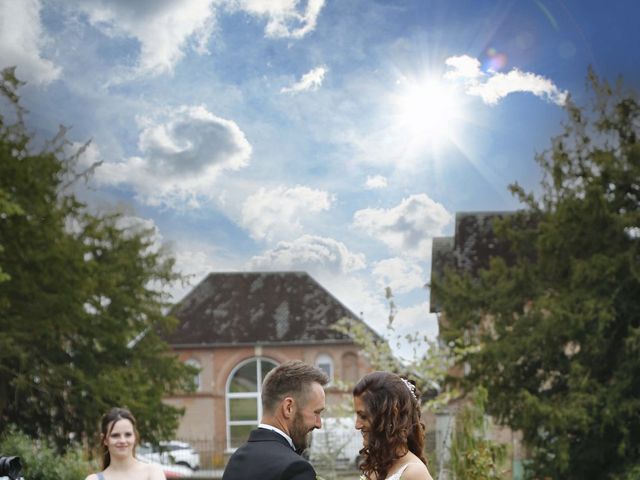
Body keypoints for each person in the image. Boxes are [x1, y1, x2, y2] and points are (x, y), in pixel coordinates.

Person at [222, 360, 329, 480]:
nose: (319, 423)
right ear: (288, 407)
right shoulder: (295, 468)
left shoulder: (236, 461)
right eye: (316, 412)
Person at [353, 372, 434, 480]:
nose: (357, 425)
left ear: (390, 416)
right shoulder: (377, 466)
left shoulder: (414, 473)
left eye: (363, 416)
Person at [85, 407, 166, 480]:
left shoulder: (153, 473)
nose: (122, 441)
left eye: (128, 435)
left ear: (135, 437)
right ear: (105, 439)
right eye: (115, 435)